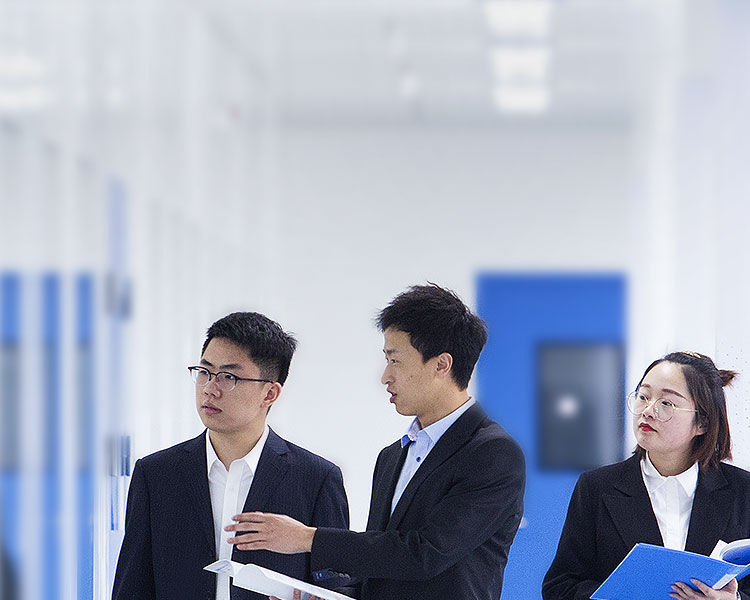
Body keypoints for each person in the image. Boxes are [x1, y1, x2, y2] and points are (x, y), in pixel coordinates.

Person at [224, 284, 526, 600]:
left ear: (441, 364)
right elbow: (378, 572)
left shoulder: (493, 453)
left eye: (395, 360)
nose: (385, 376)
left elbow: (426, 554)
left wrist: (307, 538)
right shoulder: (392, 456)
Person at [112, 312, 350, 600]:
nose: (210, 389)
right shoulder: (156, 474)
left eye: (229, 377)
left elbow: (336, 586)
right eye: (204, 372)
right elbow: (132, 585)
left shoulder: (316, 478)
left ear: (269, 394)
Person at [543, 351, 750, 600]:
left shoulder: (742, 490)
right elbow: (560, 587)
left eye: (666, 403)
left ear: (702, 423)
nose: (648, 411)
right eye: (643, 397)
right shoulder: (597, 487)